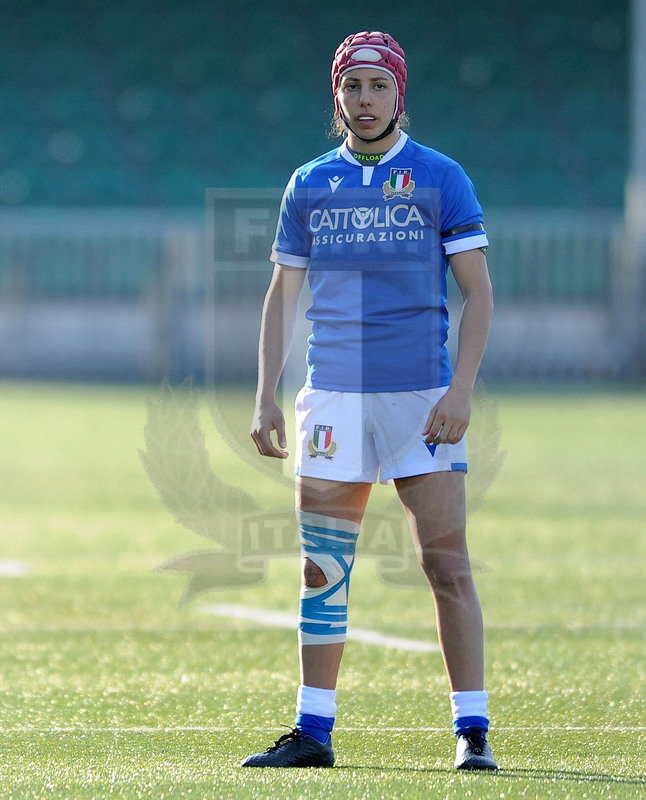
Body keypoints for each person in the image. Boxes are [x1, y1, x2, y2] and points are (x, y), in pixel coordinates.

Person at [246, 30, 497, 771]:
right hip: (331, 399)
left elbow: (478, 294)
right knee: (323, 567)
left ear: (399, 93)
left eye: (377, 86)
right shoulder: (309, 183)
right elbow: (280, 297)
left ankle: (472, 730)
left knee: (445, 564)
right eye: (352, 87)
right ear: (337, 97)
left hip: (421, 397)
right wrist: (266, 396)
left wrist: (461, 390)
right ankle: (313, 730)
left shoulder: (440, 176)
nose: (364, 100)